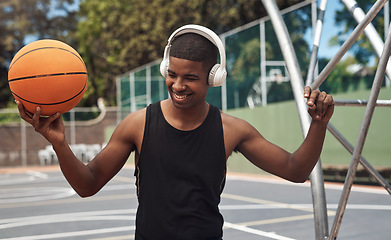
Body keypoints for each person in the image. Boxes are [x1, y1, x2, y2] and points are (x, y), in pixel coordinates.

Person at [16, 24, 334, 240]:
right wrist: (58, 143)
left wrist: (319, 124)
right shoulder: (138, 124)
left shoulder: (232, 130)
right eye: (172, 74)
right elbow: (87, 185)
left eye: (190, 78)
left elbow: (295, 170)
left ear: (214, 77)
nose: (178, 85)